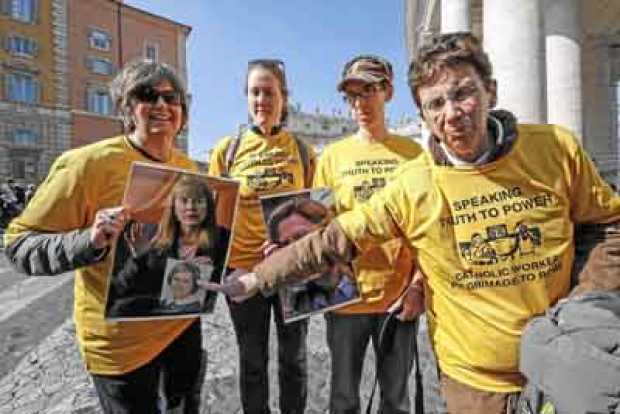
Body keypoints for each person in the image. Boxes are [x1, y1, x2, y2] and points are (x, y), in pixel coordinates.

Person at [211, 33, 620, 414]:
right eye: (436, 104)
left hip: (562, 369)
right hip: (472, 383)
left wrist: (582, 306)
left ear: (490, 90)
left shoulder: (555, 148)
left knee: (395, 396)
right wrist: (257, 278)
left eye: (463, 94)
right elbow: (334, 236)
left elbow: (608, 225)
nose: (453, 114)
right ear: (423, 112)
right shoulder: (412, 182)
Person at [4, 60, 204, 413]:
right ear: (127, 108)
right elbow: (19, 243)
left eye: (171, 98)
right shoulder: (85, 164)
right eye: (147, 95)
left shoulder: (188, 168)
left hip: (182, 325)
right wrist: (89, 240)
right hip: (120, 347)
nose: (161, 105)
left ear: (182, 111)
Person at [208, 59, 316, 414]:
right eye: (255, 92)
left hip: (293, 272)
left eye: (269, 92)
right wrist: (220, 271)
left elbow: (316, 210)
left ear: (283, 98)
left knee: (295, 361)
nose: (261, 100)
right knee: (252, 363)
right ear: (246, 97)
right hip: (244, 274)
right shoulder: (227, 150)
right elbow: (214, 217)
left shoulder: (302, 151)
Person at [317, 55, 424, 414]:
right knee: (343, 400)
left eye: (369, 91)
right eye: (352, 94)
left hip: (398, 299)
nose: (361, 102)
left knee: (395, 401)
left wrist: (418, 285)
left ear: (388, 92)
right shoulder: (331, 157)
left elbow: (428, 229)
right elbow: (321, 227)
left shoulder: (415, 154)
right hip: (346, 298)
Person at [107, 174, 225, 318]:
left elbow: (212, 297)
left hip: (183, 322)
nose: (191, 207)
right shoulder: (149, 234)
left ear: (208, 207)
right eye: (184, 201)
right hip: (146, 320)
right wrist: (139, 258)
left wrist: (199, 278)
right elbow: (119, 288)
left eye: (199, 201)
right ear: (173, 208)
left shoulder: (222, 240)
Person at [266, 197, 358, 320]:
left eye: (302, 237)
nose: (295, 252)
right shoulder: (298, 302)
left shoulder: (360, 277)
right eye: (286, 245)